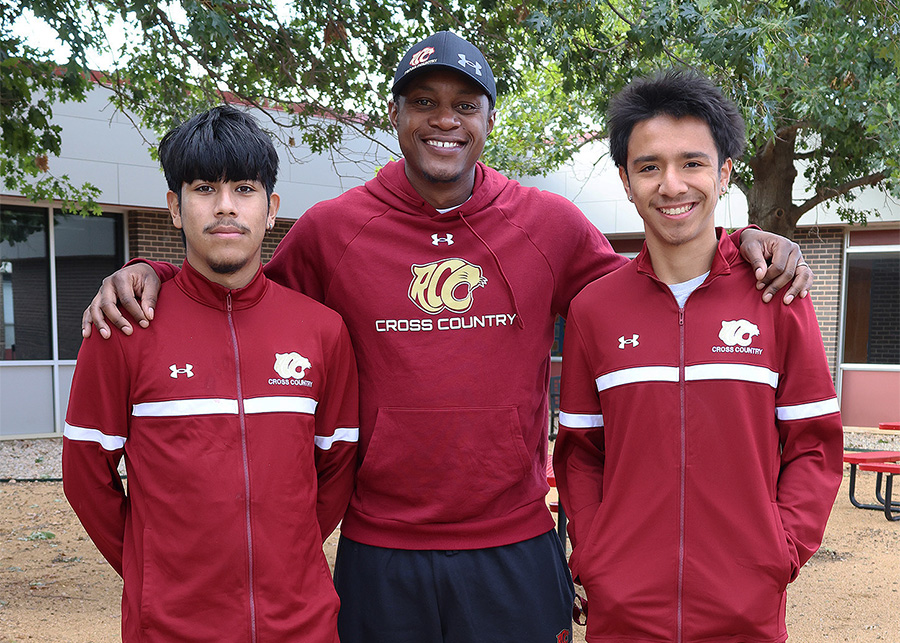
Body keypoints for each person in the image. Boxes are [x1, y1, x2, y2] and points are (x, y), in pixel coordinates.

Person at [81, 34, 813, 643]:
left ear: (489, 119)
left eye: (465, 104)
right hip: (382, 551)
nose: (445, 120)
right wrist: (152, 271)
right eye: (424, 102)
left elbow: (652, 279)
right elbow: (242, 294)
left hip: (514, 543)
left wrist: (742, 242)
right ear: (394, 114)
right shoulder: (334, 230)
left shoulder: (549, 224)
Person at [553, 69, 843, 643]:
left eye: (692, 162)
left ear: (724, 172)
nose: (672, 185)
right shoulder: (594, 311)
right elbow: (581, 454)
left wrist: (777, 554)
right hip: (624, 615)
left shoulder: (777, 297)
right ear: (625, 180)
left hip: (746, 615)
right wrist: (596, 557)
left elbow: (813, 444)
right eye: (649, 166)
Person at [62, 106, 359, 642]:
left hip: (303, 624)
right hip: (169, 627)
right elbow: (86, 476)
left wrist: (284, 559)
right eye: (204, 188)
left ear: (271, 209)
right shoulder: (124, 329)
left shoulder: (323, 330)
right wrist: (156, 574)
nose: (225, 207)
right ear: (175, 207)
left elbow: (337, 462)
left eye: (244, 189)